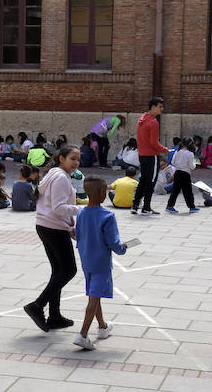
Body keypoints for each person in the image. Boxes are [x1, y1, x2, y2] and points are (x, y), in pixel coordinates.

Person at [23, 145, 82, 332]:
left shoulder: (53, 174)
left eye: (78, 159)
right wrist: (82, 210)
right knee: (68, 270)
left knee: (58, 271)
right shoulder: (61, 178)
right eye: (73, 158)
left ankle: (54, 315)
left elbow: (53, 205)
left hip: (46, 226)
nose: (76, 163)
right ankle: (37, 305)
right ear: (61, 158)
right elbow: (58, 207)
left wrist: (70, 225)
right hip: (53, 228)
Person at [72, 176, 127, 350]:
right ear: (103, 193)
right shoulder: (108, 215)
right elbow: (114, 242)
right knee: (93, 299)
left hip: (86, 260)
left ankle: (102, 326)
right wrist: (123, 248)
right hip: (101, 263)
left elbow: (77, 235)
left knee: (94, 295)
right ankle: (82, 334)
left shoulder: (81, 212)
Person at [132, 97, 168, 215]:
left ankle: (135, 205)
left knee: (143, 179)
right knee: (151, 182)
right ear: (153, 107)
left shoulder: (142, 119)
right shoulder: (153, 122)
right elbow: (154, 143)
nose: (162, 109)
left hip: (142, 154)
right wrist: (165, 150)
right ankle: (146, 207)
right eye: (160, 106)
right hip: (151, 155)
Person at [165, 138, 199, 214]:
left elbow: (173, 162)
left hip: (177, 173)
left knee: (175, 191)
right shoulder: (190, 154)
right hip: (185, 174)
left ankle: (169, 206)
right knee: (188, 192)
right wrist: (195, 165)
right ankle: (192, 207)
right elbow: (192, 166)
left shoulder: (177, 152)